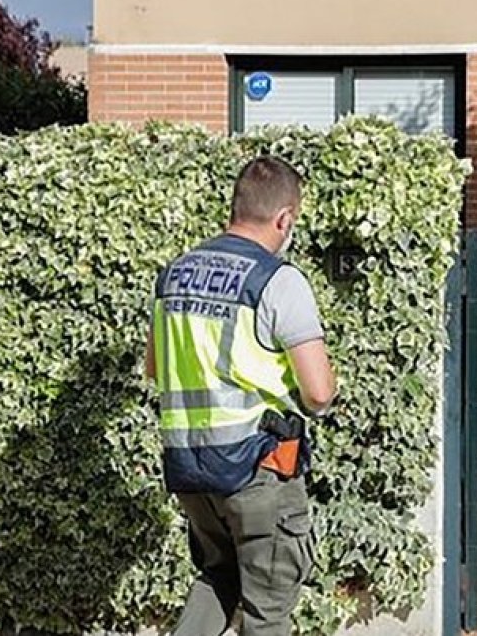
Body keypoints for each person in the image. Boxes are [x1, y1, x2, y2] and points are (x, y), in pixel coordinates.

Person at [144, 156, 336, 636]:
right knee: (267, 609)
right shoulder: (277, 279)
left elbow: (153, 367)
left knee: (218, 577)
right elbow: (318, 394)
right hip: (257, 469)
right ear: (285, 218)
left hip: (190, 467)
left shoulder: (176, 273)